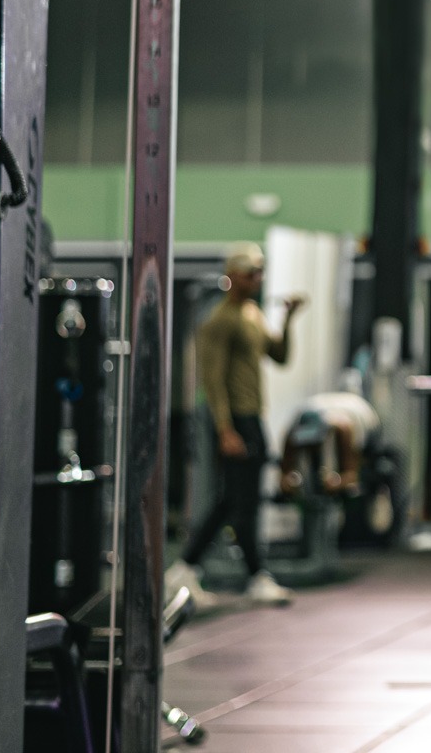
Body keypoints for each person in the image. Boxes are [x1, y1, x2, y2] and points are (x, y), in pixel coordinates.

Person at [166, 242, 304, 607]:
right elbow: (212, 379)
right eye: (250, 273)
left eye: (260, 272)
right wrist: (225, 429)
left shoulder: (253, 314)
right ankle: (255, 575)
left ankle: (186, 567)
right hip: (234, 420)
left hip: (252, 417)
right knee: (242, 502)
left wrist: (289, 318)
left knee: (233, 500)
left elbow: (280, 356)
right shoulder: (220, 320)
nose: (257, 278)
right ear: (233, 276)